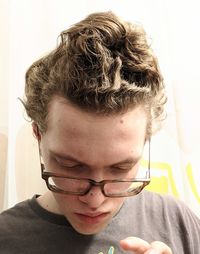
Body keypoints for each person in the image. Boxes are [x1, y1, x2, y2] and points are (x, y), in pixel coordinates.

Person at [0, 11, 200, 254]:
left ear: (145, 141)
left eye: (120, 168)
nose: (95, 201)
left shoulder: (178, 222)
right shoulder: (6, 238)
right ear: (38, 135)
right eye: (71, 166)